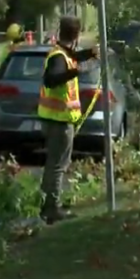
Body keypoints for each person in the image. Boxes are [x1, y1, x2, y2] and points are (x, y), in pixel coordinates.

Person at [38, 15, 98, 224]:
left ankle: (46, 204)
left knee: (53, 164)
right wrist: (76, 71)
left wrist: (90, 54)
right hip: (59, 122)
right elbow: (52, 79)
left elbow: (72, 57)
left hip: (55, 120)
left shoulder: (63, 53)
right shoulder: (58, 58)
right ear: (76, 35)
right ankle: (51, 209)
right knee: (58, 165)